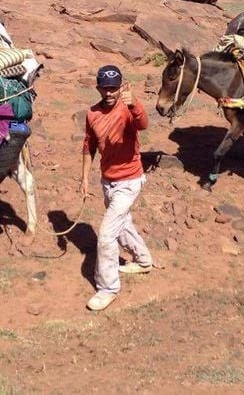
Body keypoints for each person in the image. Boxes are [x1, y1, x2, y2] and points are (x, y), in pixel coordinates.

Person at [80, 64, 153, 312]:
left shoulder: (128, 109)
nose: (110, 93)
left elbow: (143, 124)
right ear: (98, 88)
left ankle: (108, 288)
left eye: (114, 88)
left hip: (130, 180)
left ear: (121, 87)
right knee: (122, 223)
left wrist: (133, 103)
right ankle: (143, 260)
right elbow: (88, 146)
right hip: (107, 179)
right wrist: (84, 178)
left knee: (106, 235)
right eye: (105, 88)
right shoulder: (92, 114)